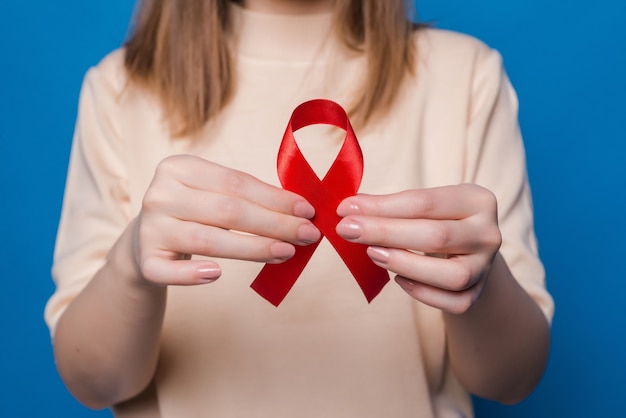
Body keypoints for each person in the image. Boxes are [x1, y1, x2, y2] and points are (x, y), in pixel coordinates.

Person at [45, 0, 554, 416]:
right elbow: (95, 382)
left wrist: (481, 283)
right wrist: (131, 267)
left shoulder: (463, 77)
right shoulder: (120, 89)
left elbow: (511, 379)